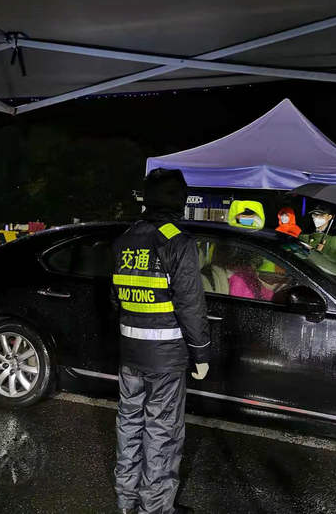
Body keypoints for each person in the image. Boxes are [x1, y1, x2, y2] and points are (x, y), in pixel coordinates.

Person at [111, 168, 210, 514]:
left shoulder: (126, 238)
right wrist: (200, 353)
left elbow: (116, 297)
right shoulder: (176, 241)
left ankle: (126, 501)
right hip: (166, 359)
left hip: (130, 352)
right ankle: (155, 508)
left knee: (129, 424)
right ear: (179, 201)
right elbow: (190, 303)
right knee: (162, 432)